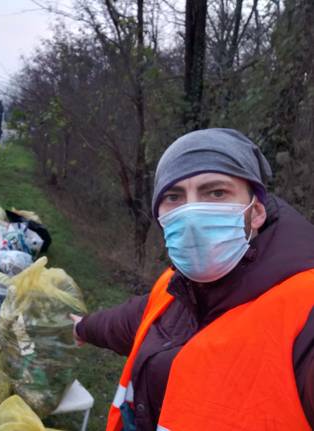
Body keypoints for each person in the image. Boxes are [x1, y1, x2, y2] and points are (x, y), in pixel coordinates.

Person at [72, 128, 314, 430]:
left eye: (216, 192)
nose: (191, 212)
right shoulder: (179, 286)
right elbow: (133, 320)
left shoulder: (306, 306)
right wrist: (82, 327)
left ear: (257, 212)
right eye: (174, 197)